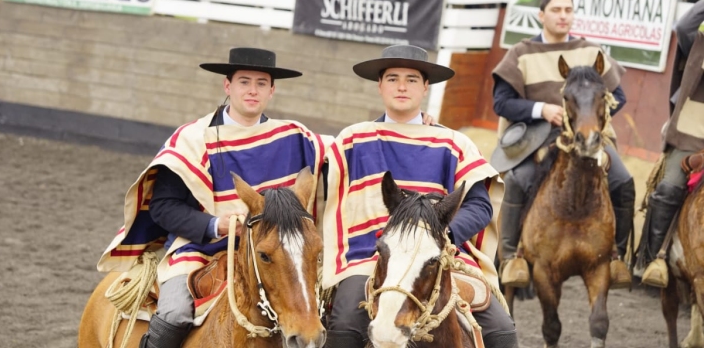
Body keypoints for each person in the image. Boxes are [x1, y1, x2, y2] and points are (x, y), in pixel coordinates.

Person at [96, 48, 325, 348]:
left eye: (261, 83)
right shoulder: (193, 139)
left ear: (272, 90)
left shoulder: (296, 137)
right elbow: (163, 207)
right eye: (244, 82)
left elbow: (342, 164)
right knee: (175, 312)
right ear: (228, 86)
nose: (252, 90)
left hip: (277, 257)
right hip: (199, 251)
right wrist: (217, 225)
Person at [321, 45, 518, 348]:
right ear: (380, 86)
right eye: (393, 78)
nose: (402, 86)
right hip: (369, 257)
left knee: (501, 330)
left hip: (436, 259)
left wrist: (441, 233)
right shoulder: (351, 139)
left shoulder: (454, 142)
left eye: (412, 79)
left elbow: (479, 205)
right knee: (346, 321)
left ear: (426, 87)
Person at [491, 0, 635, 290]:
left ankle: (616, 256)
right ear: (541, 16)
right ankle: (510, 257)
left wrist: (590, 118)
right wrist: (541, 109)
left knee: (623, 180)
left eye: (568, 10)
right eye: (556, 10)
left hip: (590, 135)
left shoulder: (590, 51)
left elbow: (617, 96)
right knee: (519, 179)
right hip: (539, 135)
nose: (563, 15)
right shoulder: (521, 52)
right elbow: (501, 103)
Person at [635, 0, 704, 288]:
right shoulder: (698, 36)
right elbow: (684, 27)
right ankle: (653, 261)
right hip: (695, 131)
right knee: (669, 185)